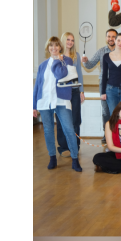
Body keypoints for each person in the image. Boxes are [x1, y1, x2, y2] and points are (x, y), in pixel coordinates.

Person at [33, 36, 82, 172]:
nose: (53, 48)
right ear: (48, 48)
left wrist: (57, 61)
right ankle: (52, 158)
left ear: (60, 47)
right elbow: (37, 86)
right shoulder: (42, 65)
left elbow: (61, 74)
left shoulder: (66, 60)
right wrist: (34, 105)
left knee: (69, 129)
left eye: (56, 45)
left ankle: (75, 159)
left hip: (61, 100)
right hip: (44, 101)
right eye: (51, 45)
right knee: (48, 130)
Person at [82, 28, 117, 144]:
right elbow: (90, 65)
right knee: (106, 111)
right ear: (106, 38)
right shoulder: (101, 51)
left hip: (117, 85)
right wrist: (85, 61)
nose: (111, 39)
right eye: (109, 36)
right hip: (104, 85)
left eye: (113, 36)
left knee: (116, 110)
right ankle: (106, 133)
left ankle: (116, 134)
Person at [56, 32, 85, 157]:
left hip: (74, 90)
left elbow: (79, 74)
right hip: (61, 91)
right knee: (61, 119)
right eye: (68, 39)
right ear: (63, 41)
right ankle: (63, 147)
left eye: (72, 40)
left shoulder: (76, 55)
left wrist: (81, 91)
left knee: (75, 119)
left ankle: (75, 146)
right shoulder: (57, 55)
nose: (70, 42)